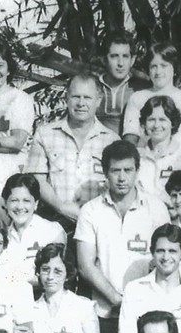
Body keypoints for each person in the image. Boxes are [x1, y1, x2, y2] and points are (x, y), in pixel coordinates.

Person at [76, 140, 170, 333]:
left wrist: (135, 302)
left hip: (147, 314)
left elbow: (165, 258)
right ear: (105, 172)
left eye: (128, 170)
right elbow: (85, 264)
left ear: (137, 170)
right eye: (115, 170)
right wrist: (117, 299)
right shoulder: (90, 211)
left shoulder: (156, 208)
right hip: (105, 313)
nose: (121, 177)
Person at [24, 73, 119, 227]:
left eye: (87, 97)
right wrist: (61, 208)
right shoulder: (45, 134)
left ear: (98, 100)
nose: (81, 103)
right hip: (53, 221)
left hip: (99, 223)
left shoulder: (112, 140)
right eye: (76, 96)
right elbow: (37, 180)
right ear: (67, 98)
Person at [29, 244, 100, 333]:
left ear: (67, 275)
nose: (50, 277)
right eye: (45, 269)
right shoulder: (31, 308)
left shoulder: (83, 306)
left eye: (58, 271)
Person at [122, 42, 181, 157]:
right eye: (153, 66)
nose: (158, 71)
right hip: (146, 159)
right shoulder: (137, 98)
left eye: (164, 66)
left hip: (180, 160)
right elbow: (131, 136)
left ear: (174, 69)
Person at [0, 174, 68, 286]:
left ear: (36, 204)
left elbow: (54, 277)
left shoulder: (52, 231)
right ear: (5, 203)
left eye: (26, 201)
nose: (20, 207)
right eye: (14, 200)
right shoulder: (0, 237)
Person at [133, 95, 181, 205]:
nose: (156, 125)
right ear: (144, 123)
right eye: (151, 120)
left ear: (172, 123)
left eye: (162, 119)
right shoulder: (135, 156)